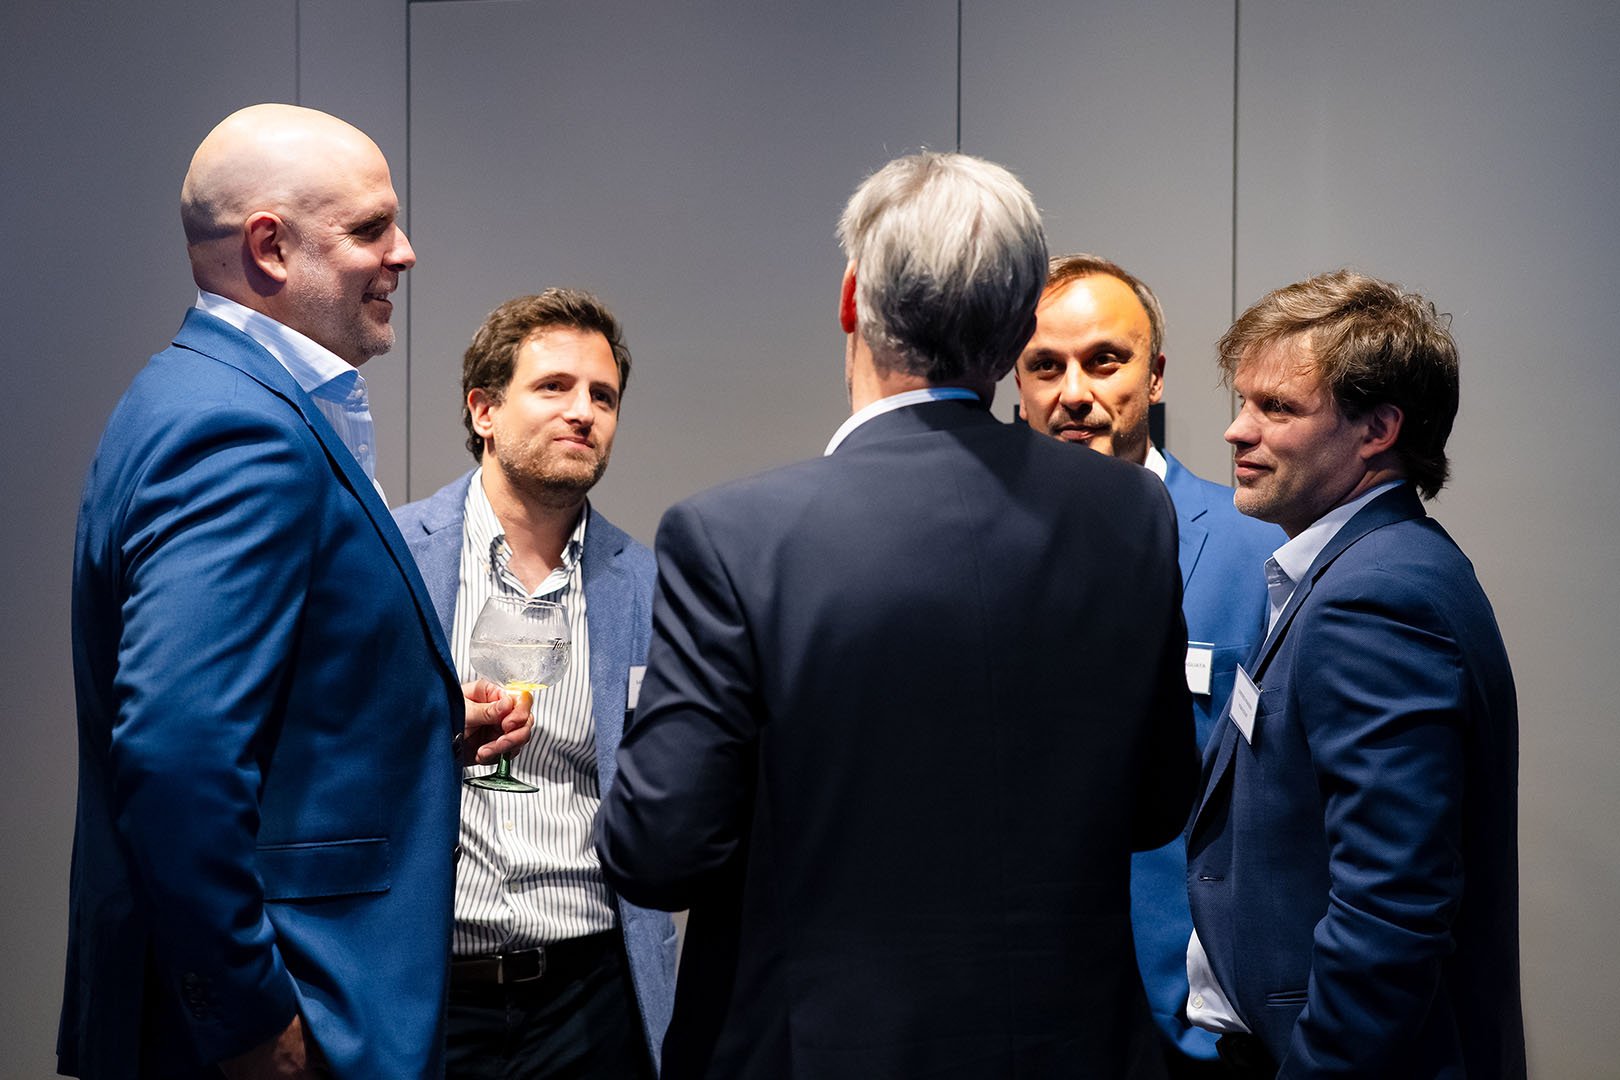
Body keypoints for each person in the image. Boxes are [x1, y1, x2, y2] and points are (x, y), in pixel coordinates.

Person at [597, 151, 1197, 1078]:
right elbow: (1158, 806)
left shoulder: (735, 537)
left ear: (852, 300)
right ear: (1016, 332)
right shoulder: (1131, 516)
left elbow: (658, 851)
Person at [61, 103, 531, 1079]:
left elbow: (264, 706)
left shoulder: (200, 393)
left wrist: (423, 719)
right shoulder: (238, 432)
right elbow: (177, 753)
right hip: (296, 1014)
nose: (405, 252)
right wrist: (249, 1023)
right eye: (370, 228)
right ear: (269, 248)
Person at [1184, 270, 1524, 1077]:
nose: (1236, 430)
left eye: (1276, 408)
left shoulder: (1375, 597)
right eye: (1243, 401)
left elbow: (1390, 911)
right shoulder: (1377, 564)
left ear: (1378, 428)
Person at [393, 290, 676, 1077]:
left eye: (603, 397)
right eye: (554, 387)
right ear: (484, 409)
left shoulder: (650, 585)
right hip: (430, 993)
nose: (583, 412)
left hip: (592, 998)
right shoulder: (392, 557)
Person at [1015, 255, 1281, 1077]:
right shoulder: (975, 559)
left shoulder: (1256, 552)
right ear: (1015, 384)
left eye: (1105, 361)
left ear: (1155, 375)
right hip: (1022, 1017)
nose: (1074, 393)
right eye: (1045, 366)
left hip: (1195, 1030)